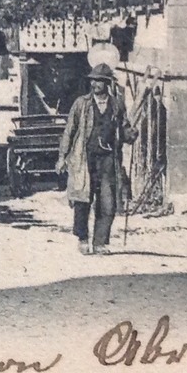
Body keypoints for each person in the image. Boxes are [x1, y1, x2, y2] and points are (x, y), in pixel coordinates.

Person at [56, 63, 134, 255]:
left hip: (108, 159)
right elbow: (69, 132)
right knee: (83, 200)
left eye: (99, 81)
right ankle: (83, 239)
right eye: (93, 80)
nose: (95, 84)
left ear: (107, 83)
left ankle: (100, 242)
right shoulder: (81, 104)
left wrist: (130, 133)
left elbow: (124, 129)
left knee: (107, 203)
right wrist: (62, 157)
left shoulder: (116, 105)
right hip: (84, 158)